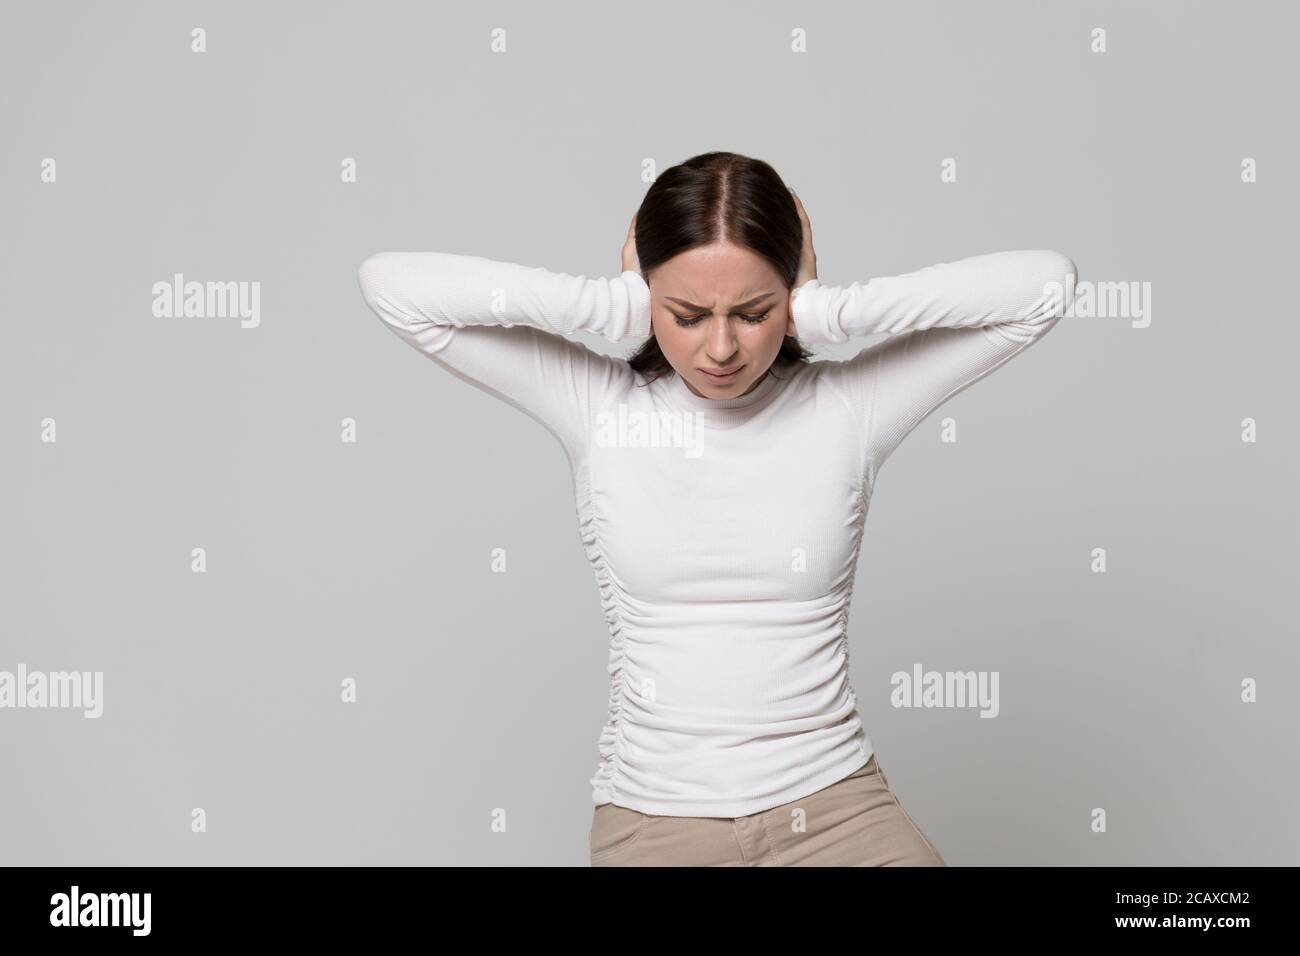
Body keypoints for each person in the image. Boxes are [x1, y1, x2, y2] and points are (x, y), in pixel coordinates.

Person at [356, 150, 1077, 866]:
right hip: (658, 824)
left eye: (756, 312)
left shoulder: (847, 408)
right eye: (687, 313)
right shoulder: (599, 408)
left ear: (788, 297)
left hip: (832, 811)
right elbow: (392, 287)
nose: (722, 346)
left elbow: (1045, 286)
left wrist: (830, 312)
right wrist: (609, 305)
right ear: (648, 297)